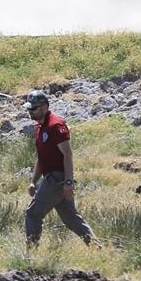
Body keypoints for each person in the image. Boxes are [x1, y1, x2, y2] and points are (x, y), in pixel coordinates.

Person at [24, 90, 97, 247]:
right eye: (29, 109)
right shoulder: (40, 127)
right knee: (71, 218)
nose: (30, 112)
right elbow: (41, 158)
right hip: (51, 178)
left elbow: (68, 154)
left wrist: (69, 182)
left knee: (33, 214)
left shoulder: (56, 125)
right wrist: (33, 181)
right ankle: (96, 246)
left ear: (44, 107)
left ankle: (30, 253)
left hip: (57, 179)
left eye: (33, 108)